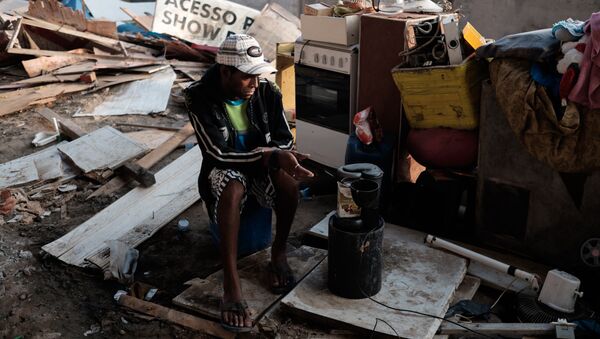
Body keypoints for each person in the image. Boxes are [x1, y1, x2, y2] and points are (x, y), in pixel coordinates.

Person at [184, 34, 314, 332]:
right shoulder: (197, 95)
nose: (255, 84)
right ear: (225, 71)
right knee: (233, 190)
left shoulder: (267, 90)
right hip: (225, 168)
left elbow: (282, 138)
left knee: (289, 184)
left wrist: (282, 155)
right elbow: (216, 153)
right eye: (247, 77)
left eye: (257, 75)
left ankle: (278, 254)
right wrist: (271, 155)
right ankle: (231, 286)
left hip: (259, 164)